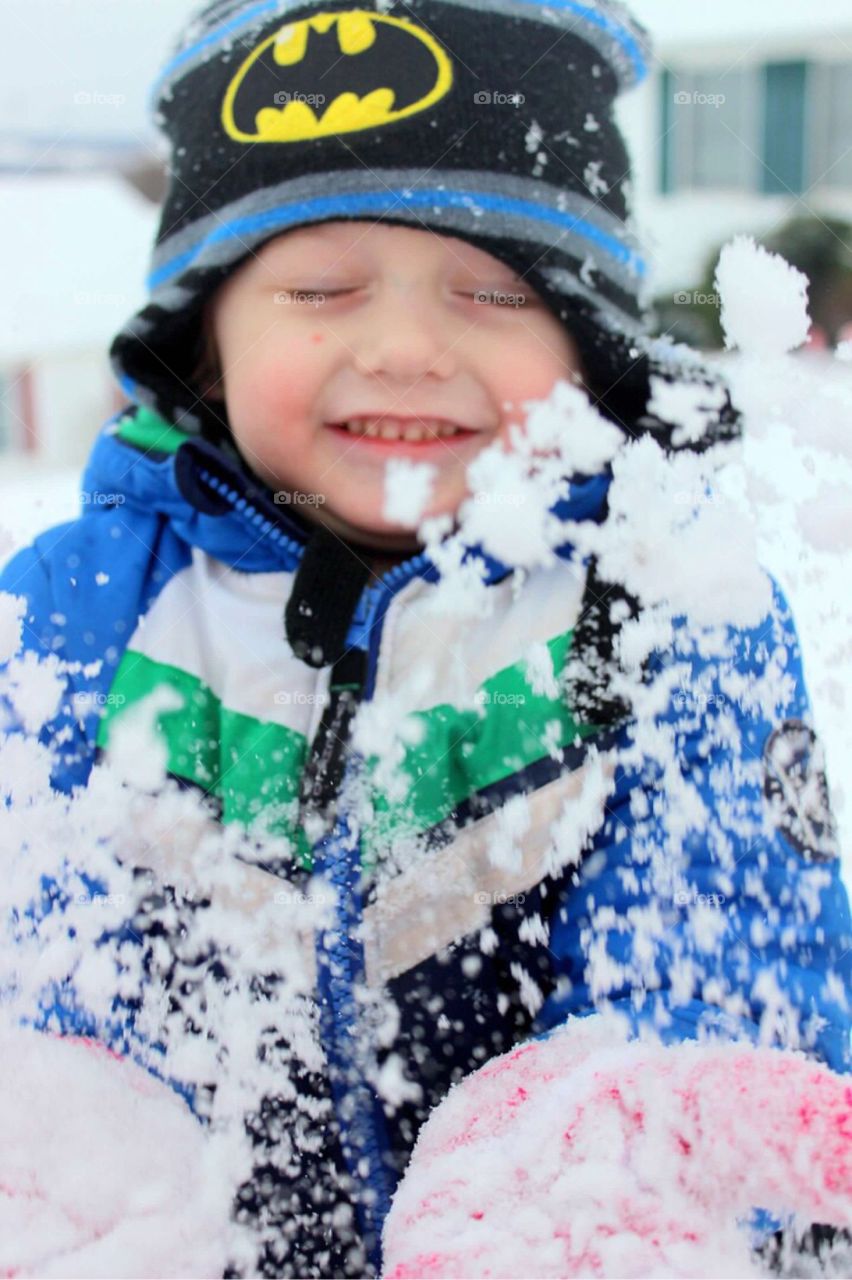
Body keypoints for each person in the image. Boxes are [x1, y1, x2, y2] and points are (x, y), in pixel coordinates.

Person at [0, 1, 849, 1276]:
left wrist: (604, 1150)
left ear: (587, 349)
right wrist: (88, 1171)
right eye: (321, 287)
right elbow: (46, 960)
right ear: (206, 352)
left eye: (495, 290)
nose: (405, 345)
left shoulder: (663, 605)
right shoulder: (80, 609)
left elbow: (728, 957)